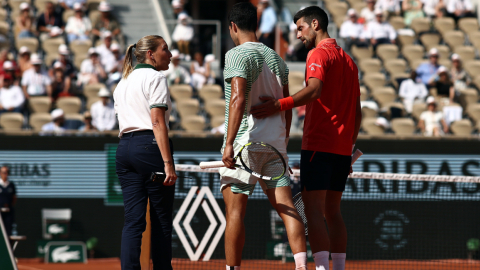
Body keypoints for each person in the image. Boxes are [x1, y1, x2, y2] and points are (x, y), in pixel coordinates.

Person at [250, 6, 362, 270]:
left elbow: (314, 90)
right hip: (341, 149)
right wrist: (349, 146)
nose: (298, 35)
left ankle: (321, 268)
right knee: (333, 212)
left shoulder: (318, 53)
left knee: (313, 211)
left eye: (300, 28)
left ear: (315, 24)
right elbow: (357, 112)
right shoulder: (348, 60)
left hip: (319, 145)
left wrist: (279, 105)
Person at [221, 3, 307, 270]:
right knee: (287, 208)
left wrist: (228, 143)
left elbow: (237, 99)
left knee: (235, 212)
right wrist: (282, 140)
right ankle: (303, 266)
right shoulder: (278, 59)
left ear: (233, 27)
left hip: (244, 144)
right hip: (275, 144)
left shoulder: (235, 55)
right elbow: (287, 105)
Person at [113, 35, 176, 270]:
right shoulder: (156, 77)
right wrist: (168, 163)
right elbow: (157, 122)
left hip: (124, 149)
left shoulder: (122, 82)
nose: (169, 55)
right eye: (165, 49)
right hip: (150, 148)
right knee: (160, 221)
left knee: (133, 221)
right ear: (150, 53)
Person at [0, 166, 16, 237]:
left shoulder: (11, 185)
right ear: (0, 173)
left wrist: (8, 205)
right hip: (0, 213)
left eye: (7, 172)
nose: (5, 174)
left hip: (9, 213)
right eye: (4, 172)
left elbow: (14, 198)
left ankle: (8, 247)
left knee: (8, 231)